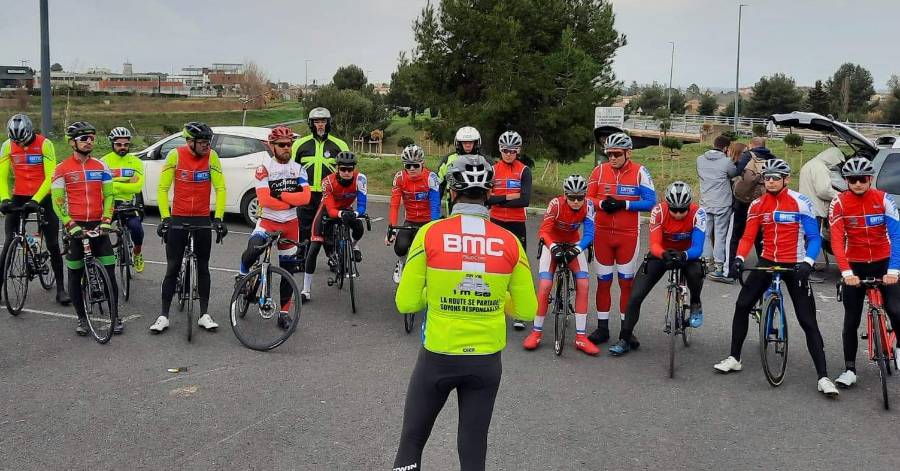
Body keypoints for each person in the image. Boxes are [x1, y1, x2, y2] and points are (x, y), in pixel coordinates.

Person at [392, 154, 537, 471]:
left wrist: (439, 291)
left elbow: (406, 303)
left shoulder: (429, 233)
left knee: (412, 443)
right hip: (485, 360)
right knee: (473, 449)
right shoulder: (510, 241)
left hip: (438, 355)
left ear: (451, 193)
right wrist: (493, 299)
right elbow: (527, 309)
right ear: (488, 195)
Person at [714, 159, 839, 396]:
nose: (770, 181)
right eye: (767, 178)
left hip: (795, 264)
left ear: (786, 179)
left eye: (775, 178)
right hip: (768, 261)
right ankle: (734, 357)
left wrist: (808, 262)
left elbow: (814, 238)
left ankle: (823, 377)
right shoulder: (758, 204)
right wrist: (739, 258)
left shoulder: (801, 203)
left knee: (807, 320)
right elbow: (748, 237)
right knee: (741, 305)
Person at [609, 182, 707, 356]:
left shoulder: (698, 213)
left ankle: (695, 302)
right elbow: (654, 243)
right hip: (662, 253)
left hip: (687, 254)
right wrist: (663, 254)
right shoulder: (658, 211)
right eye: (674, 210)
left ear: (689, 205)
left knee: (695, 273)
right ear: (667, 205)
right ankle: (625, 338)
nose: (678, 214)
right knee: (635, 296)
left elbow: (698, 248)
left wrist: (684, 255)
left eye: (682, 210)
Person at [828, 157, 900, 388]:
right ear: (847, 181)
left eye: (862, 179)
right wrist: (846, 271)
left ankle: (898, 347)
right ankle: (850, 369)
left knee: (896, 309)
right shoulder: (838, 203)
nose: (857, 184)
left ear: (870, 179)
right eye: (852, 180)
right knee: (851, 319)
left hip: (883, 261)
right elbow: (837, 241)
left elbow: (897, 236)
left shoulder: (883, 199)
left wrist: (894, 269)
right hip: (855, 264)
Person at [151, 122, 227, 333]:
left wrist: (218, 218)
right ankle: (163, 316)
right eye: (202, 142)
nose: (207, 146)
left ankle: (204, 314)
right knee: (172, 268)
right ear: (190, 142)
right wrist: (165, 218)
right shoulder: (175, 156)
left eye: (208, 142)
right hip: (178, 218)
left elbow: (220, 188)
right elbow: (162, 188)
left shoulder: (211, 157)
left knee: (203, 267)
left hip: (202, 218)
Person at [585, 132, 655, 345]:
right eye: (609, 154)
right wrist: (600, 204)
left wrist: (624, 204)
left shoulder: (640, 172)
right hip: (603, 235)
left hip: (628, 236)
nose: (612, 158)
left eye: (616, 154)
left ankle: (627, 330)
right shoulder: (599, 170)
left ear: (628, 153)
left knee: (626, 284)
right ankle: (602, 328)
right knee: (603, 283)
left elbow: (651, 202)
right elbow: (587, 197)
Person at [50, 122, 118, 335]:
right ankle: (81, 318)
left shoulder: (101, 166)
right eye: (84, 138)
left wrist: (107, 220)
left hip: (99, 225)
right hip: (75, 226)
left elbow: (109, 196)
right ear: (72, 142)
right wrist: (70, 224)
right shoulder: (62, 169)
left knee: (109, 273)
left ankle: (115, 316)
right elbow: (57, 201)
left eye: (92, 138)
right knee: (75, 273)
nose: (89, 142)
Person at [238, 126, 310, 328]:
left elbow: (304, 197)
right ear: (272, 146)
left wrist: (283, 196)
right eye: (282, 145)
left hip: (290, 225)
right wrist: (290, 200)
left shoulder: (298, 169)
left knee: (288, 272)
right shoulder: (264, 169)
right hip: (268, 222)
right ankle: (242, 276)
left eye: (289, 144)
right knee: (252, 251)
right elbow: (264, 199)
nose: (287, 148)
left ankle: (284, 313)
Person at [522, 175, 598, 355]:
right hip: (553, 243)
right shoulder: (555, 204)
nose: (576, 201)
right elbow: (544, 231)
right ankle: (536, 332)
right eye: (572, 197)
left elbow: (589, 233)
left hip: (574, 244)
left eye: (580, 197)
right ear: (565, 195)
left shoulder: (588, 206)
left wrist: (578, 249)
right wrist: (553, 246)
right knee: (545, 285)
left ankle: (581, 337)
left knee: (584, 284)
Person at [0, 113, 70, 305]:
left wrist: (37, 199)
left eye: (23, 141)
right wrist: (5, 199)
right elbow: (2, 176)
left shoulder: (45, 144)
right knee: (9, 242)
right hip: (20, 194)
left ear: (30, 132)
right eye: (16, 142)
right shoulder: (7, 146)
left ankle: (61, 289)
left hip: (44, 195)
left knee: (53, 244)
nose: (20, 145)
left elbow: (51, 177)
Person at [301, 151, 367, 302]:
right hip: (327, 212)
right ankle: (306, 290)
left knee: (359, 228)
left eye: (350, 169)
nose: (346, 172)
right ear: (337, 168)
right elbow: (330, 210)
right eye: (343, 169)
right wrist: (341, 215)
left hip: (346, 210)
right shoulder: (327, 182)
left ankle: (354, 246)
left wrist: (356, 213)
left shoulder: (360, 179)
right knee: (314, 247)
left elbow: (362, 206)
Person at [486, 130, 533, 330]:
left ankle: (518, 313)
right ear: (500, 150)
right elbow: (487, 199)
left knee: (517, 266)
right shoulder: (492, 170)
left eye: (512, 151)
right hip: (496, 221)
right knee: (493, 264)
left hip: (516, 223)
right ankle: (493, 306)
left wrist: (501, 198)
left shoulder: (524, 171)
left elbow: (525, 199)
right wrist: (510, 196)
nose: (508, 154)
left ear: (518, 151)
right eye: (505, 150)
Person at [293, 107, 349, 245]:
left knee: (329, 230)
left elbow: (348, 172)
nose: (320, 125)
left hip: (329, 195)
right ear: (311, 124)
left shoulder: (340, 145)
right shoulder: (299, 145)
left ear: (329, 123)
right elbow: (291, 170)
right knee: (304, 230)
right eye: (316, 121)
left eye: (323, 121)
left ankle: (333, 258)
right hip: (306, 195)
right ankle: (303, 260)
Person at [386, 144, 440, 283]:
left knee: (431, 251)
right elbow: (394, 205)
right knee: (400, 247)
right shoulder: (400, 178)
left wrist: (433, 225)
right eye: (408, 166)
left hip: (428, 220)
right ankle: (401, 263)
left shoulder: (431, 178)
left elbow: (435, 204)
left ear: (422, 163)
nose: (411, 169)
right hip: (410, 220)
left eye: (415, 165)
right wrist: (391, 228)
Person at [724, 137, 772, 279]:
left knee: (736, 236)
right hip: (763, 201)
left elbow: (736, 172)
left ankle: (733, 269)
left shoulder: (747, 156)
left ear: (751, 145)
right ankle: (765, 268)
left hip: (743, 202)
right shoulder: (771, 158)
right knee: (760, 236)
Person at [101, 126, 145, 275]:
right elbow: (101, 187)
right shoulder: (103, 162)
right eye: (119, 144)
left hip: (128, 203)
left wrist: (113, 184)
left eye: (126, 145)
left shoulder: (136, 162)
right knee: (100, 231)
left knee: (137, 230)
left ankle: (137, 253)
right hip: (108, 202)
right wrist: (126, 183)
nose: (123, 147)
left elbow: (137, 187)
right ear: (112, 143)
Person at [696, 135, 737, 282]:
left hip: (705, 201)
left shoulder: (699, 159)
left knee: (706, 233)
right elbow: (733, 174)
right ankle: (719, 265)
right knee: (720, 235)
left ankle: (706, 262)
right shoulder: (727, 162)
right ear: (726, 148)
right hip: (722, 203)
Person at [437, 126, 481, 215]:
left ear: (476, 143)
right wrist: (435, 212)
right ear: (458, 143)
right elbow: (439, 186)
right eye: (464, 142)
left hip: (479, 205)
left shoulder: (484, 160)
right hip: (454, 204)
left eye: (471, 142)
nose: (468, 145)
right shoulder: (448, 160)